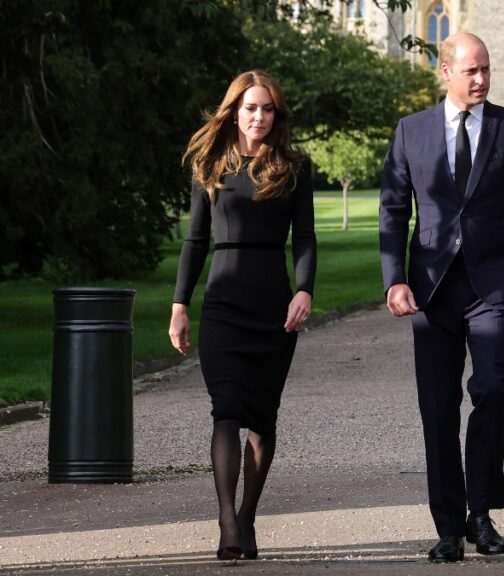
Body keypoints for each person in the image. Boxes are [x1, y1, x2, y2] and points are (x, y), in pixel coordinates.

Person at [378, 32, 504, 562]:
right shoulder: (412, 131)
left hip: (496, 283)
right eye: (470, 70)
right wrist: (394, 278)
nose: (481, 79)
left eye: (486, 70)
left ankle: (481, 512)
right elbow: (391, 210)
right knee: (437, 407)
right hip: (431, 290)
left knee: (492, 389)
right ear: (446, 72)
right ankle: (449, 526)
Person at [169, 70, 316, 562]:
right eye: (251, 108)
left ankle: (249, 515)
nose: (259, 117)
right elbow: (194, 241)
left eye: (268, 109)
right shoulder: (210, 164)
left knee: (262, 417)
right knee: (227, 410)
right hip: (224, 306)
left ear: (277, 115)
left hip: (273, 305)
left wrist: (304, 291)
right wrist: (179, 305)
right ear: (234, 110)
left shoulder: (294, 167)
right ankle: (227, 523)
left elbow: (307, 239)